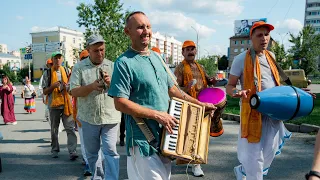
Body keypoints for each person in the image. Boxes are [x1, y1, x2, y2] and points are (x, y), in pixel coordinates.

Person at [108, 11, 216, 180]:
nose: (146, 31)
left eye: (148, 27)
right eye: (140, 27)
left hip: (166, 136)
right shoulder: (123, 63)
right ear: (127, 32)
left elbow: (174, 90)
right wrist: (157, 115)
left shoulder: (157, 58)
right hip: (142, 140)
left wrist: (200, 105)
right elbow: (120, 103)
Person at [226, 21, 303, 180]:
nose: (264, 39)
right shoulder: (241, 59)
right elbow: (230, 86)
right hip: (252, 114)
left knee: (270, 151)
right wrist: (237, 92)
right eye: (259, 35)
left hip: (273, 112)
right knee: (255, 157)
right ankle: (252, 173)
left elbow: (277, 84)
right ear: (251, 38)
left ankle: (243, 170)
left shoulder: (271, 56)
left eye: (266, 35)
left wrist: (300, 94)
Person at [70, 35, 121, 180]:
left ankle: (111, 178)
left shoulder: (112, 66)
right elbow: (74, 91)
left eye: (102, 50)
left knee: (111, 151)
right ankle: (98, 177)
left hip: (111, 117)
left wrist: (111, 83)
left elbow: (122, 91)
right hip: (88, 117)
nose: (100, 53)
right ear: (88, 50)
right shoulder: (79, 67)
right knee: (92, 153)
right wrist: (92, 87)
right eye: (96, 50)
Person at [173, 40, 222, 177]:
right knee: (189, 135)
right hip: (188, 106)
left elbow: (207, 81)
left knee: (201, 135)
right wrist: (186, 88)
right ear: (183, 53)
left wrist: (212, 80)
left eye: (192, 49)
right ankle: (191, 161)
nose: (190, 52)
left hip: (203, 106)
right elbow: (174, 89)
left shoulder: (200, 67)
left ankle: (196, 164)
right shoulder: (180, 68)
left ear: (195, 52)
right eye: (187, 49)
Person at [41, 51, 78, 160]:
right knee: (54, 129)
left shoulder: (66, 71)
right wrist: (52, 86)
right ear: (52, 60)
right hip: (53, 105)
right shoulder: (47, 73)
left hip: (66, 103)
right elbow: (44, 91)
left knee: (70, 128)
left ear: (62, 60)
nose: (57, 60)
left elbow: (72, 87)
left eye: (59, 58)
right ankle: (55, 150)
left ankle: (72, 151)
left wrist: (66, 87)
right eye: (55, 58)